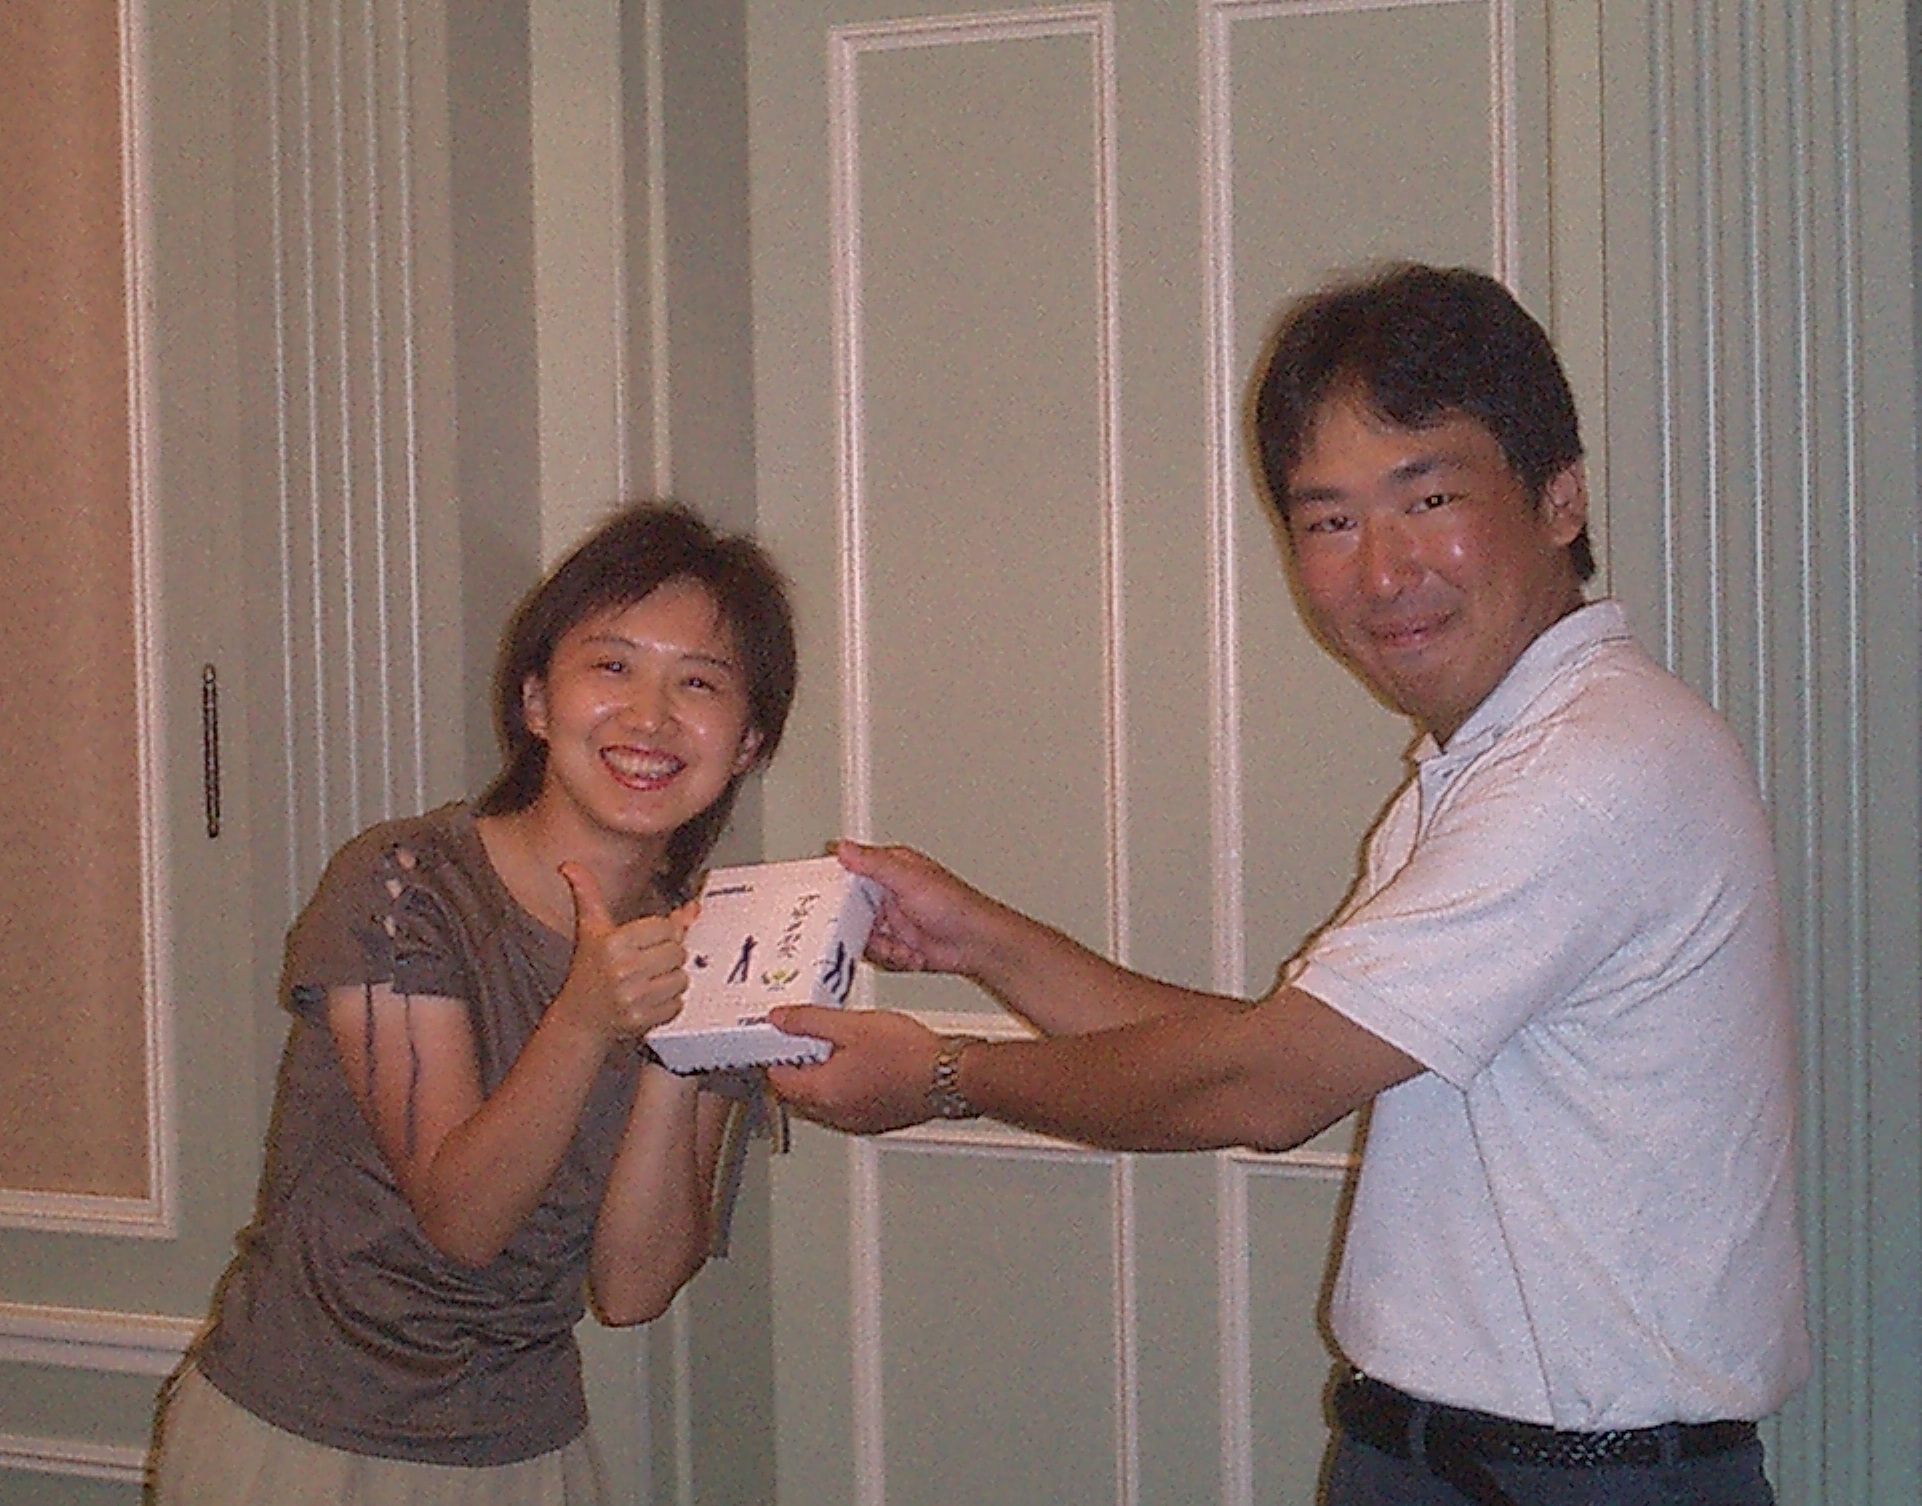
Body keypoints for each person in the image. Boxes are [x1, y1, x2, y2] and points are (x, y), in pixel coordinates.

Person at [767, 264, 1810, 1505]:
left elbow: (1263, 1088)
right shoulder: (1499, 757)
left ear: (1558, 498)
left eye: (1427, 498)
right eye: (1328, 522)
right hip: (1455, 1459)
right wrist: (984, 941)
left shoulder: (1588, 772)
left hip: (1576, 1479)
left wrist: (941, 1077)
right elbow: (1283, 1052)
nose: (1382, 571)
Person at [151, 501, 796, 1505]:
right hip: (306, 1439)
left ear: (747, 740)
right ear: (536, 700)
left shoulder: (720, 945)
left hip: (524, 1449)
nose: (650, 716)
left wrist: (681, 1037)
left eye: (699, 683)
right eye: (612, 665)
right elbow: (462, 1217)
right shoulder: (405, 884)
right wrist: (585, 1017)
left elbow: (633, 1288)